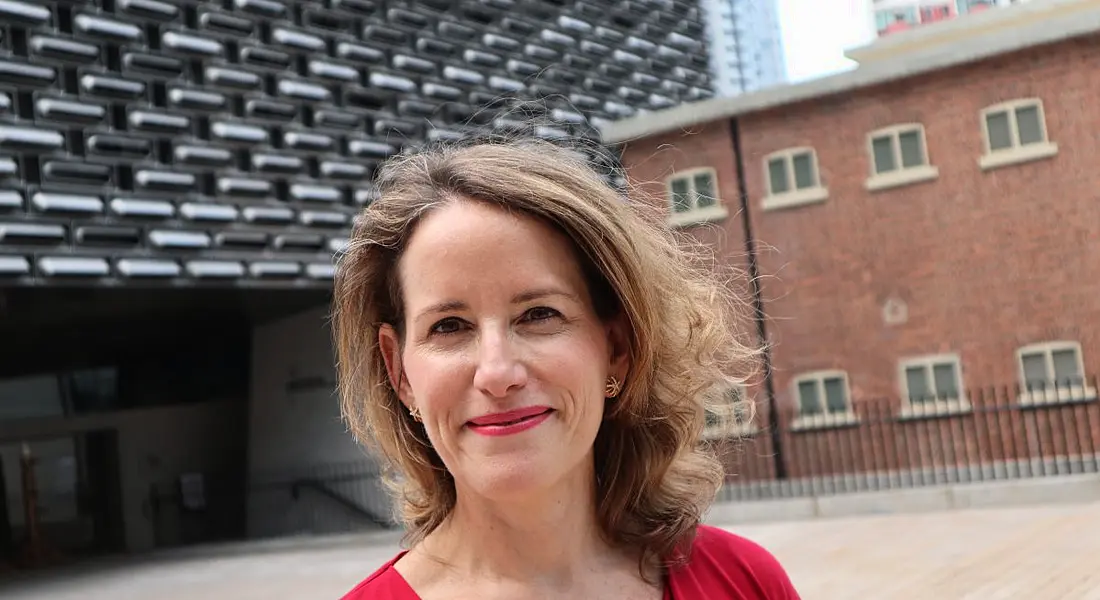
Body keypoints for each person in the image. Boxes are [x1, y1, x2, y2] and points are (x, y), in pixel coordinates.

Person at [332, 133, 801, 599]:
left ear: (616, 346)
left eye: (538, 315)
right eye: (449, 326)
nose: (497, 372)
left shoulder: (745, 581)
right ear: (400, 373)